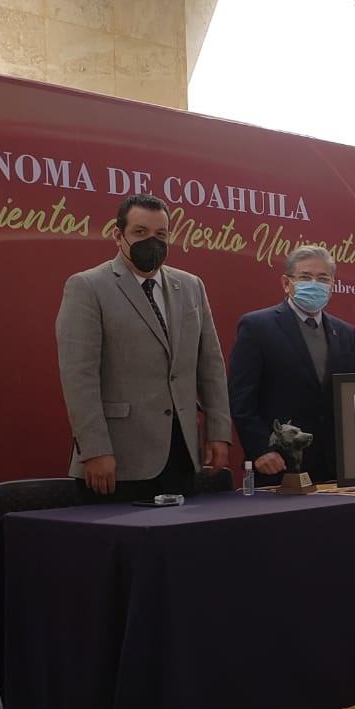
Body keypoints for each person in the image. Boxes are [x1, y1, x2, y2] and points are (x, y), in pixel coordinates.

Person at [56, 194, 232, 502]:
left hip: (182, 455)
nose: (152, 241)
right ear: (118, 235)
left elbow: (211, 366)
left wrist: (219, 432)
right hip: (118, 460)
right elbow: (79, 377)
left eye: (160, 234)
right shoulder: (87, 286)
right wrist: (95, 450)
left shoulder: (191, 286)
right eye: (140, 232)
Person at [228, 245, 355, 483]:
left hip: (336, 467)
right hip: (279, 465)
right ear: (286, 283)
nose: (314, 284)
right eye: (305, 277)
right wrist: (261, 448)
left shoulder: (345, 333)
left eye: (323, 278)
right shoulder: (257, 326)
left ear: (332, 285)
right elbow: (241, 397)